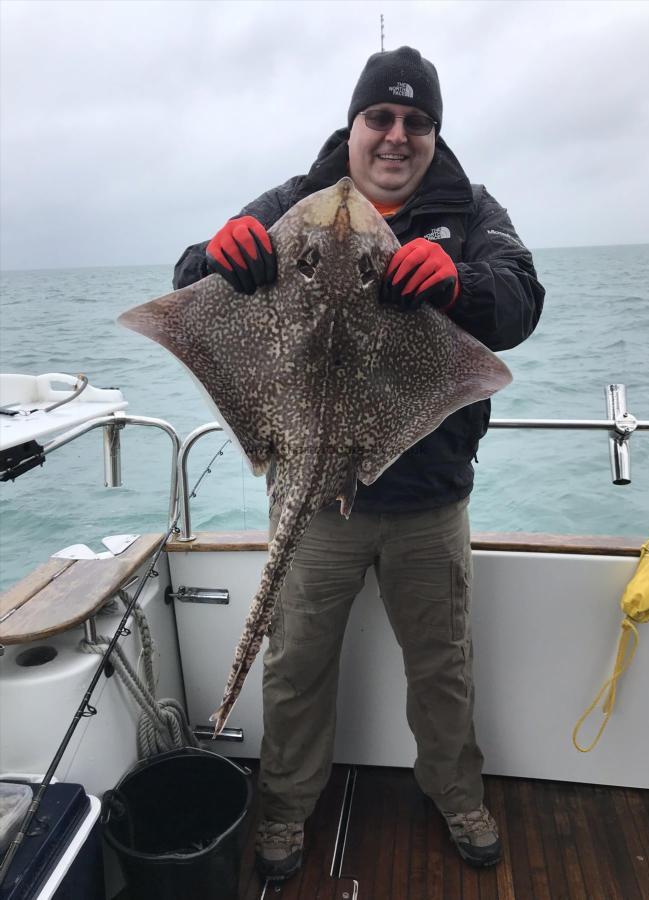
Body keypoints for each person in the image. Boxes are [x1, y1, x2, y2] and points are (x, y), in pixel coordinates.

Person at [174, 46, 545, 881]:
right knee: (296, 664)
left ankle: (455, 792)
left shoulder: (470, 209)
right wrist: (215, 255)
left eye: (416, 123)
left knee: (442, 667)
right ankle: (282, 810)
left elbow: (520, 295)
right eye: (379, 117)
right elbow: (190, 279)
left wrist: (457, 282)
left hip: (428, 499)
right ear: (351, 126)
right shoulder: (290, 204)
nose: (395, 136)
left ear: (433, 135)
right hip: (312, 494)